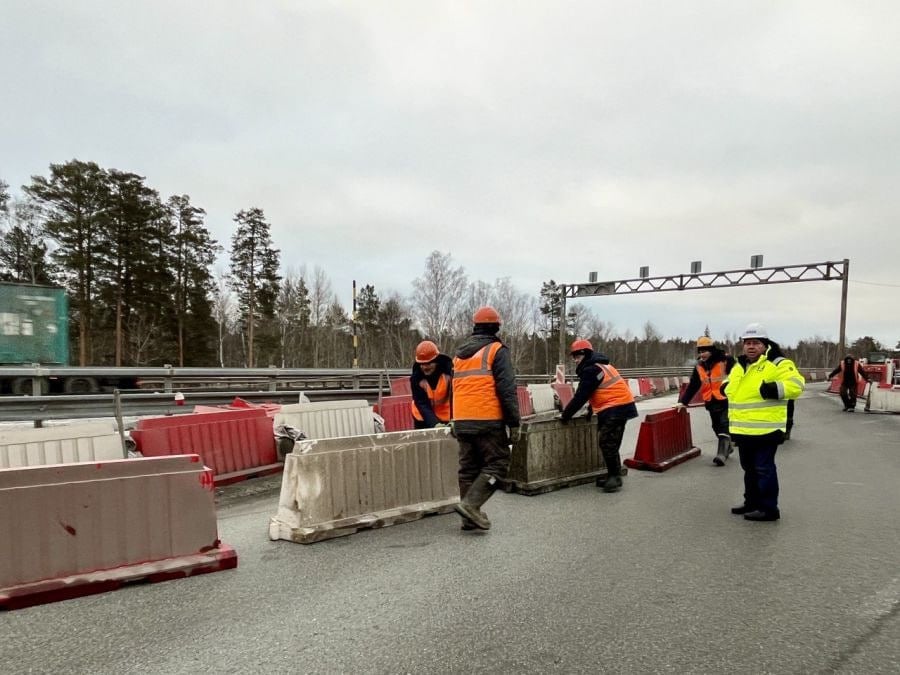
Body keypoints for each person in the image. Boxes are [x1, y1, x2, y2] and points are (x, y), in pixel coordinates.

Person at [725, 323, 805, 522]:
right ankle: (751, 502)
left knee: (763, 468)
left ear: (765, 344)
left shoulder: (777, 362)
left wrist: (774, 389)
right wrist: (724, 387)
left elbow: (796, 384)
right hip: (743, 428)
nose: (751, 347)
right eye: (747, 343)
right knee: (749, 468)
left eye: (756, 343)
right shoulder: (739, 365)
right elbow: (732, 386)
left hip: (767, 428)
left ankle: (769, 508)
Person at [451, 306, 520, 531]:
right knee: (498, 465)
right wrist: (514, 423)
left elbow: (455, 389)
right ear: (497, 327)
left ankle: (468, 518)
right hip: (487, 419)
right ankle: (471, 506)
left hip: (462, 419)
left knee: (468, 469)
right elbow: (507, 390)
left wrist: (455, 419)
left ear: (475, 327)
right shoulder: (496, 350)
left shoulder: (459, 355)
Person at [559, 339, 638, 492]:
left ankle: (615, 477)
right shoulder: (601, 366)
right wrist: (590, 410)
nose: (575, 359)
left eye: (577, 356)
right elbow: (597, 391)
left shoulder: (591, 370)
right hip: (620, 406)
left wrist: (565, 415)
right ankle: (613, 474)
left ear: (586, 354)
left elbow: (581, 396)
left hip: (615, 408)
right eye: (574, 356)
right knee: (611, 443)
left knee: (607, 442)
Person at [675, 336, 736, 466]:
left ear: (712, 350)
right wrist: (683, 402)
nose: (702, 354)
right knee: (716, 426)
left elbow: (739, 376)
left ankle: (721, 455)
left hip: (726, 399)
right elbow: (693, 386)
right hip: (711, 401)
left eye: (704, 351)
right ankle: (727, 447)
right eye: (700, 352)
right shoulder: (699, 367)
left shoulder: (726, 360)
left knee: (724, 424)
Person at [410, 340, 453, 429]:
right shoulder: (416, 378)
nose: (425, 367)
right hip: (422, 417)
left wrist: (455, 419)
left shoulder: (449, 374)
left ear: (436, 361)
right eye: (422, 364)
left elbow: (456, 398)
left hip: (445, 415)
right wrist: (434, 423)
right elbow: (422, 403)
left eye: (428, 363)